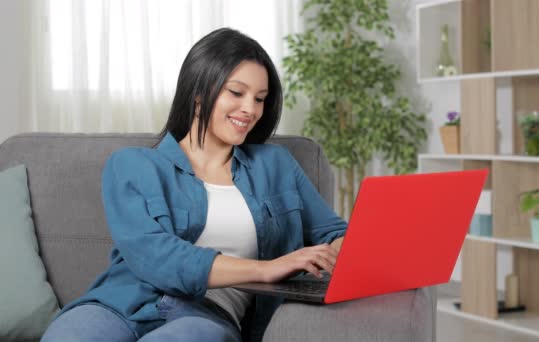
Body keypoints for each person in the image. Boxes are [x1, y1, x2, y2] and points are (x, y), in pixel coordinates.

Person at [41, 28, 346, 342]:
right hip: (117, 306)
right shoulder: (132, 165)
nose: (250, 109)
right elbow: (157, 257)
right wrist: (265, 268)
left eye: (260, 99)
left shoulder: (276, 165)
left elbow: (335, 234)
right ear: (199, 93)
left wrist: (346, 252)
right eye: (237, 93)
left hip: (204, 317)